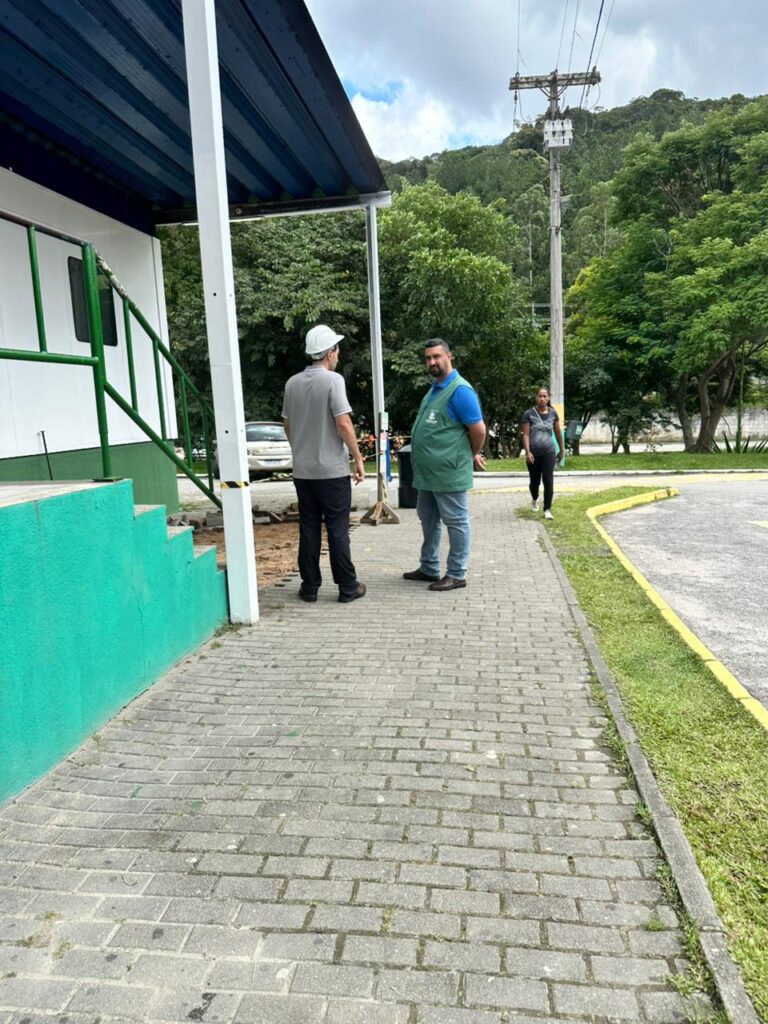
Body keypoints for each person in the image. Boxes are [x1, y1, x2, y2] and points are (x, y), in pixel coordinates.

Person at [282, 324, 366, 603]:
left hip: (303, 471)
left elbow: (287, 424)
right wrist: (357, 456)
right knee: (337, 529)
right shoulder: (333, 381)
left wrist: (300, 450)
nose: (338, 355)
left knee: (308, 527)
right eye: (337, 349)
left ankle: (309, 587)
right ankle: (347, 586)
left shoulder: (292, 383)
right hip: (331, 472)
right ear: (330, 352)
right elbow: (343, 422)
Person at [403, 338, 486, 592]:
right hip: (428, 474)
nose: (432, 362)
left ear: (449, 356)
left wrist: (470, 454)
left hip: (449, 472)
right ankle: (429, 567)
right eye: (428, 358)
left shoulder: (460, 390)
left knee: (456, 521)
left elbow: (478, 430)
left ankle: (457, 573)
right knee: (428, 519)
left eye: (437, 356)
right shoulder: (435, 388)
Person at [521, 386, 564, 520]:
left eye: (545, 396)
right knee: (534, 482)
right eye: (539, 396)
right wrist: (527, 452)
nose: (542, 399)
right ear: (536, 397)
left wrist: (561, 450)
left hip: (549, 452)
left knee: (548, 480)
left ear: (548, 398)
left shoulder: (553, 414)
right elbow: (526, 434)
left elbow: (558, 433)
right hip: (533, 453)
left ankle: (547, 509)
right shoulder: (529, 414)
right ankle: (534, 498)